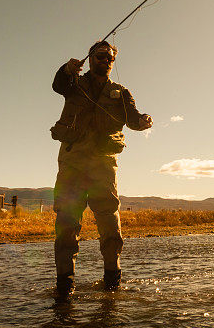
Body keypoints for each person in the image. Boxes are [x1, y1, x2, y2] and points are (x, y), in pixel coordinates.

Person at [50, 40, 152, 298]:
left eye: (109, 58)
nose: (105, 61)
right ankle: (65, 286)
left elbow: (133, 120)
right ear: (90, 58)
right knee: (66, 223)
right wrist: (66, 69)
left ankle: (112, 284)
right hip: (72, 163)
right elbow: (58, 85)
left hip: (103, 166)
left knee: (109, 223)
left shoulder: (121, 92)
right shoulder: (73, 83)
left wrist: (143, 121)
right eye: (100, 56)